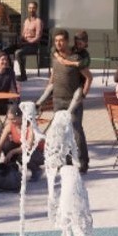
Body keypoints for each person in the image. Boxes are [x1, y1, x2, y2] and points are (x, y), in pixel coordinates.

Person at [46, 29, 91, 173]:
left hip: (73, 99)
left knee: (76, 131)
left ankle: (83, 162)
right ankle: (63, 161)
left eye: (61, 40)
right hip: (58, 99)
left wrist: (83, 94)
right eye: (56, 40)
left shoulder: (78, 57)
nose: (58, 43)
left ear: (66, 41)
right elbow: (53, 77)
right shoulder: (56, 55)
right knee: (60, 131)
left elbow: (89, 77)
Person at [13, 5, 47, 80]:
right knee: (8, 50)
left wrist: (28, 41)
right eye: (30, 8)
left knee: (18, 53)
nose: (31, 10)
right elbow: (23, 34)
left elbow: (38, 37)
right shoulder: (26, 21)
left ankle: (23, 75)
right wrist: (20, 40)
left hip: (33, 46)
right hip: (24, 44)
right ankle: (9, 74)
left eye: (33, 8)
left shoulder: (38, 21)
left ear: (36, 9)